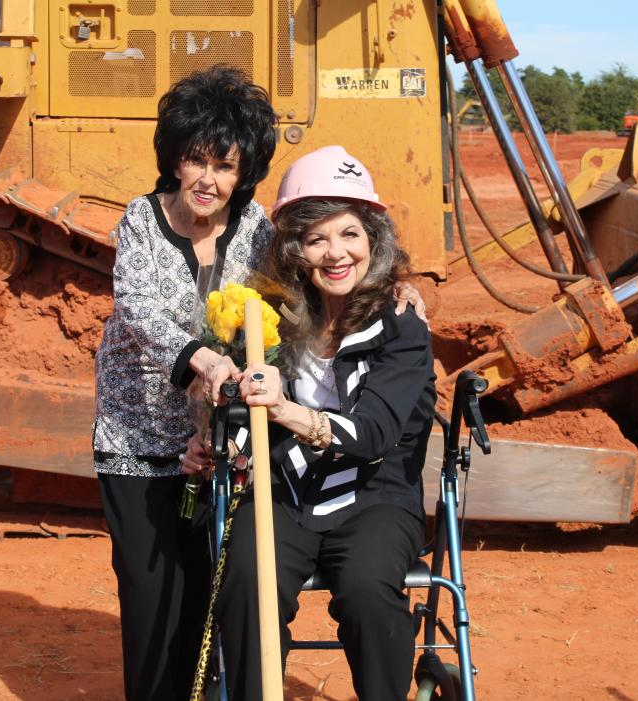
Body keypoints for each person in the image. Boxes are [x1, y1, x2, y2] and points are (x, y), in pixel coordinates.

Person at [210, 145, 437, 700]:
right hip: (286, 491)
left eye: (350, 234)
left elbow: (377, 433)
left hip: (377, 495)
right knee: (245, 578)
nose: (336, 253)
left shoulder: (400, 324)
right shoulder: (274, 322)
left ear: (372, 240)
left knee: (364, 586)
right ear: (295, 250)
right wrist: (231, 407)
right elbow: (242, 421)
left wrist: (285, 408)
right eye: (317, 239)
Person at [93, 64, 277, 701]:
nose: (208, 179)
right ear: (174, 158)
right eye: (197, 159)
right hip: (139, 433)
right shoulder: (141, 220)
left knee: (208, 590)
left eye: (225, 166)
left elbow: (305, 286)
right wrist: (200, 357)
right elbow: (137, 309)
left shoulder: (257, 231)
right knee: (152, 597)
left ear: (243, 173)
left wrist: (397, 292)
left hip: (222, 444)